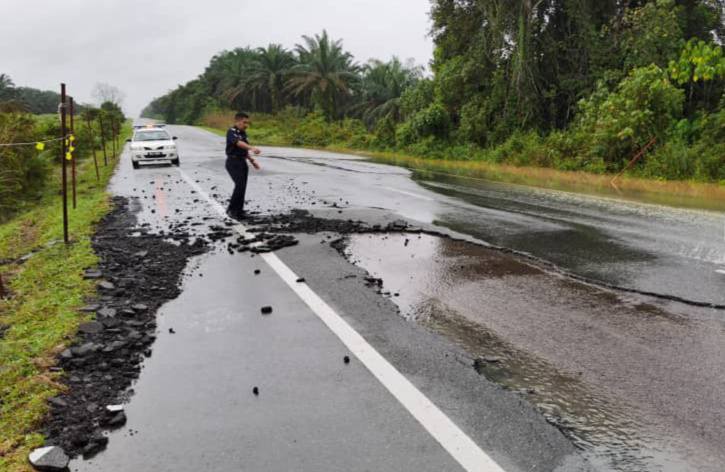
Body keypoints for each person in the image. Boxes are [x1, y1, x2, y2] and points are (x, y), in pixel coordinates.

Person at [225, 112, 261, 220]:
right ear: (237, 121)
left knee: (242, 187)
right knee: (239, 185)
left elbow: (243, 148)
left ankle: (239, 211)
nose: (246, 125)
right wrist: (252, 148)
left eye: (247, 123)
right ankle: (231, 210)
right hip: (233, 162)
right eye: (244, 122)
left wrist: (252, 160)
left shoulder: (243, 133)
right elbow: (238, 143)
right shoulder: (232, 131)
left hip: (242, 162)